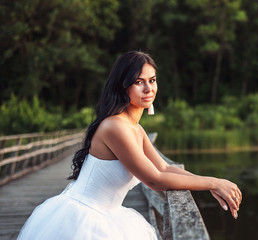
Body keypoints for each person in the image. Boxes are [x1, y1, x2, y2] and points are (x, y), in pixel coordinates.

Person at [17, 51, 242, 240]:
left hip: (111, 215)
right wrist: (213, 182)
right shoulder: (115, 126)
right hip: (83, 219)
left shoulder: (135, 128)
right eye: (138, 82)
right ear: (123, 86)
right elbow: (155, 180)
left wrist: (213, 183)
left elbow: (164, 168)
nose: (148, 89)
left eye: (152, 80)